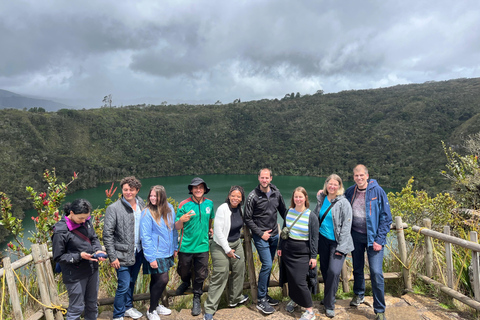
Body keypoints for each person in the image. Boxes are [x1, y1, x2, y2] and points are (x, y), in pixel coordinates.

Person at [345, 165, 392, 320]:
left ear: (367, 175)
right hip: (356, 236)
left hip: (374, 239)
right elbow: (339, 203)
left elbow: (386, 218)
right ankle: (359, 295)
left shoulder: (378, 191)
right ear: (353, 177)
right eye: (356, 175)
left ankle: (379, 309)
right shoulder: (351, 191)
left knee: (376, 272)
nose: (359, 178)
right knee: (357, 268)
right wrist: (322, 194)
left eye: (361, 175)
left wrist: (379, 239)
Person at [52, 199, 107, 320]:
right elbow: (58, 256)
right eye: (80, 218)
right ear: (71, 213)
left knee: (92, 304)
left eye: (86, 218)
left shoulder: (86, 222)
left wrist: (97, 250)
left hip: (92, 269)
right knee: (76, 308)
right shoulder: (60, 231)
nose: (84, 221)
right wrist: (79, 256)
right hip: (74, 274)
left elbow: (93, 238)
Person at [244, 168, 287, 314]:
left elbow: (284, 212)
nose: (264, 180)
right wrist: (261, 233)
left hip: (274, 235)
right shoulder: (253, 196)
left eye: (267, 178)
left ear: (271, 178)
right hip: (261, 236)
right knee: (267, 264)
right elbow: (247, 218)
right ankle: (261, 299)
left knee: (268, 266)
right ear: (258, 178)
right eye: (262, 177)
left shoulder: (276, 193)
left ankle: (265, 295)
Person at [203, 186, 249, 320]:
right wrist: (227, 250)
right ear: (229, 196)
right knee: (221, 273)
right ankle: (210, 309)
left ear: (242, 199)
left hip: (236, 243)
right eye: (233, 195)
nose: (235, 198)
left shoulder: (239, 209)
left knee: (239, 269)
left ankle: (235, 298)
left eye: (238, 196)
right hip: (220, 245)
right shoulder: (223, 208)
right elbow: (217, 231)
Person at [103, 176, 146, 320]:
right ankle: (118, 314)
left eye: (131, 190)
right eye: (125, 190)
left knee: (132, 281)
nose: (128, 193)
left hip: (138, 252)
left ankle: (128, 307)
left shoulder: (141, 203)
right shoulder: (113, 208)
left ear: (137, 190)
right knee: (123, 285)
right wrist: (112, 256)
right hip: (121, 254)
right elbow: (107, 234)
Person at [314, 174, 354, 318]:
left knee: (334, 271)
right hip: (323, 240)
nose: (332, 187)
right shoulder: (321, 198)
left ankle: (329, 305)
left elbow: (346, 226)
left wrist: (341, 248)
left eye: (335, 184)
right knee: (325, 270)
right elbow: (316, 216)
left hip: (337, 243)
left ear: (339, 186)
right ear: (326, 185)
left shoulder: (344, 203)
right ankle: (327, 298)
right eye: (330, 184)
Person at [174, 177, 214, 316]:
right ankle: (185, 282)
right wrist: (181, 220)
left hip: (203, 246)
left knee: (200, 273)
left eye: (201, 187)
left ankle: (197, 297)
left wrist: (210, 229)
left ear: (204, 190)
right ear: (191, 189)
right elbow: (176, 226)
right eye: (195, 187)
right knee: (184, 268)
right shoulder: (183, 205)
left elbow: (210, 219)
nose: (198, 190)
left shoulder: (209, 203)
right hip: (186, 245)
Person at [278, 187, 318, 320]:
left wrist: (313, 256)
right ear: (293, 198)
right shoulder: (288, 212)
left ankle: (310, 310)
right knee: (291, 279)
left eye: (301, 197)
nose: (298, 199)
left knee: (300, 281)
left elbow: (314, 238)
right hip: (288, 250)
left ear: (305, 198)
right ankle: (295, 300)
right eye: (296, 197)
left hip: (302, 253)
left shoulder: (311, 216)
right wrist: (280, 246)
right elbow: (284, 230)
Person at [140, 185, 178, 320]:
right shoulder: (147, 212)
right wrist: (151, 258)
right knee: (163, 279)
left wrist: (175, 246)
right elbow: (145, 236)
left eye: (155, 196)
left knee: (156, 280)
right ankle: (151, 310)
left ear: (162, 196)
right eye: (151, 195)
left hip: (167, 251)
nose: (152, 198)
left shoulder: (169, 209)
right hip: (155, 253)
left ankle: (155, 306)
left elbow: (173, 229)